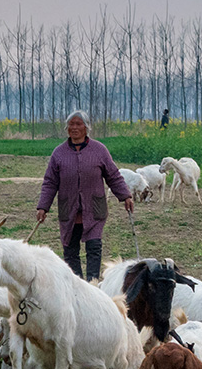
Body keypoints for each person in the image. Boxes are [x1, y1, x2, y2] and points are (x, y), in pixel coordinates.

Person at [36, 110, 133, 280]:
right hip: (69, 210)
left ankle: (92, 283)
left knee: (94, 248)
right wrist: (43, 206)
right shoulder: (59, 153)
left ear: (86, 127)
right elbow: (50, 182)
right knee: (70, 251)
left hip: (93, 209)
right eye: (71, 124)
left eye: (78, 124)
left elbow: (113, 176)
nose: (74, 128)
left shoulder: (99, 150)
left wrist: (125, 196)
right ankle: (76, 284)